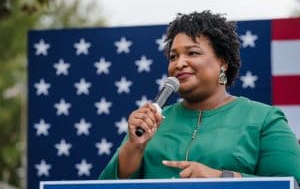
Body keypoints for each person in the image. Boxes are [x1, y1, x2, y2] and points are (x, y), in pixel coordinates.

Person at [99, 10, 300, 183]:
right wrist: (134, 147)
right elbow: (104, 187)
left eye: (193, 53)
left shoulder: (264, 119)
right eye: (173, 57)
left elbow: (291, 184)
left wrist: (221, 178)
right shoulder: (150, 122)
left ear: (223, 62)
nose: (179, 64)